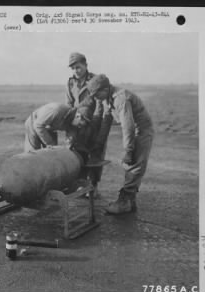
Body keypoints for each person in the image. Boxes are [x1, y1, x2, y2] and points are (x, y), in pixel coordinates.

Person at [88, 74, 154, 214]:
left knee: (133, 165)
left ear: (105, 89)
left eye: (96, 94)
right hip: (134, 130)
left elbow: (128, 126)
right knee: (131, 165)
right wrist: (98, 144)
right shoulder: (107, 99)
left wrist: (128, 151)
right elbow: (106, 120)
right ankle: (130, 203)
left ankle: (124, 202)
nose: (95, 98)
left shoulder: (121, 99)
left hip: (141, 131)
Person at [66, 52, 113, 197]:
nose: (76, 71)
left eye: (78, 67)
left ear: (86, 65)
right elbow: (69, 103)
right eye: (73, 68)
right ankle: (81, 185)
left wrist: (94, 125)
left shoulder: (95, 80)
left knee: (95, 153)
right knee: (79, 153)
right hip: (78, 123)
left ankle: (94, 186)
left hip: (94, 122)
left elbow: (100, 105)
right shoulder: (70, 82)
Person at [24, 102, 93, 152]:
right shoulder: (56, 111)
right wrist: (49, 143)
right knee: (32, 154)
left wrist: (70, 147)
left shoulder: (73, 121)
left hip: (49, 128)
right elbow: (38, 125)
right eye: (80, 125)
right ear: (78, 116)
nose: (79, 127)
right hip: (34, 124)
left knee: (53, 153)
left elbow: (71, 137)